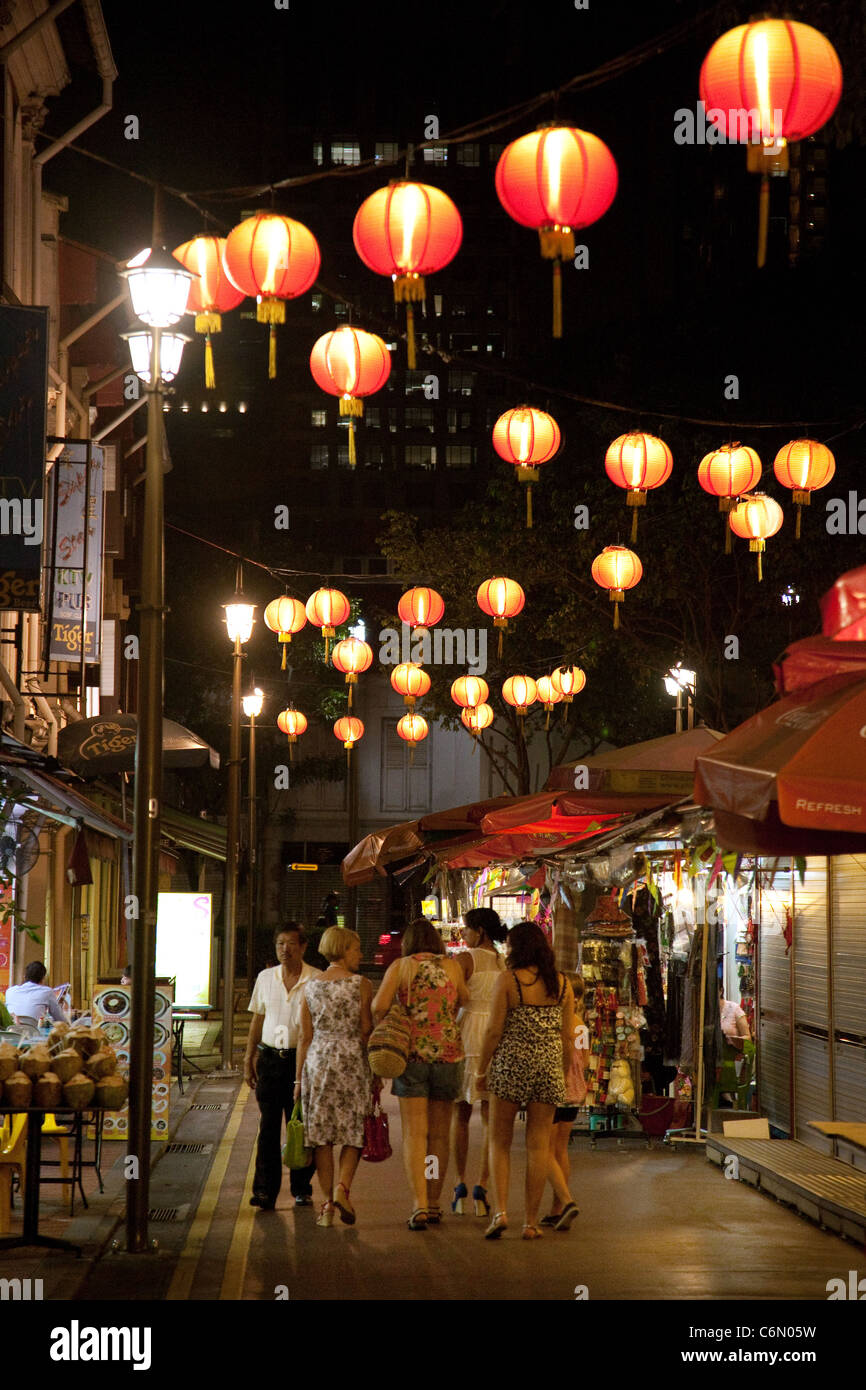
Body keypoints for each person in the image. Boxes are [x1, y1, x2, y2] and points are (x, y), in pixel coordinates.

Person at [477, 921, 577, 1240]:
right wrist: (560, 1073)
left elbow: (494, 1030)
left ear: (516, 948)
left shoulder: (509, 980)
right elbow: (566, 1037)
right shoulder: (562, 984)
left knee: (499, 1142)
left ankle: (501, 1211)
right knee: (538, 1146)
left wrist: (481, 1068)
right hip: (547, 1066)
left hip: (511, 1063)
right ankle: (531, 1222)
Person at [372, 916, 469, 1230]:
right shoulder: (452, 966)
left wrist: (392, 1020)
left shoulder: (401, 968)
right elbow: (465, 998)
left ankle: (419, 1205)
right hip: (449, 1056)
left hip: (411, 1056)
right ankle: (435, 1200)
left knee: (416, 1134)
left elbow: (378, 1006)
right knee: (439, 1136)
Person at [295, 926, 373, 1228]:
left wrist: (299, 1080)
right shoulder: (360, 984)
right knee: (354, 1130)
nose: (360, 954)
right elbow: (366, 1029)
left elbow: (304, 1035)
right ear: (343, 949)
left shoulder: (310, 986)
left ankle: (327, 1206)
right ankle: (342, 1188)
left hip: (318, 1061)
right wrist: (375, 1071)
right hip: (352, 1059)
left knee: (322, 1137)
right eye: (356, 949)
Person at [244, 924, 323, 1211]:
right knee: (267, 1127)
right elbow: (257, 1019)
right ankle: (265, 1191)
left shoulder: (316, 979)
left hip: (301, 1063)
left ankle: (302, 1187)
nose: (284, 949)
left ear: (303, 947)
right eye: (279, 943)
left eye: (290, 943)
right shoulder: (266, 978)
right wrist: (248, 1058)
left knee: (301, 1126)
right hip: (269, 1061)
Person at [450, 907, 506, 1217]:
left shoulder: (465, 959)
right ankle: (482, 1187)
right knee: (489, 1117)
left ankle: (459, 1183)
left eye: (466, 929)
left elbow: (454, 999)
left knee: (460, 1114)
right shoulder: (502, 961)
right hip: (494, 1037)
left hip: (467, 1033)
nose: (463, 935)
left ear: (479, 931)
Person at [542, 973, 588, 1229]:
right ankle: (556, 1208)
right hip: (577, 1091)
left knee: (544, 1150)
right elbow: (587, 1059)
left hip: (557, 1088)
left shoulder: (559, 1022)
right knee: (561, 1149)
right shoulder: (581, 1024)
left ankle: (565, 1201)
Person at [5, 962, 66, 1026]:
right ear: (43, 978)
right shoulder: (47, 992)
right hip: (34, 1034)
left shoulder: (10, 991)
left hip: (11, 1033)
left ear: (24, 977)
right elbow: (59, 1019)